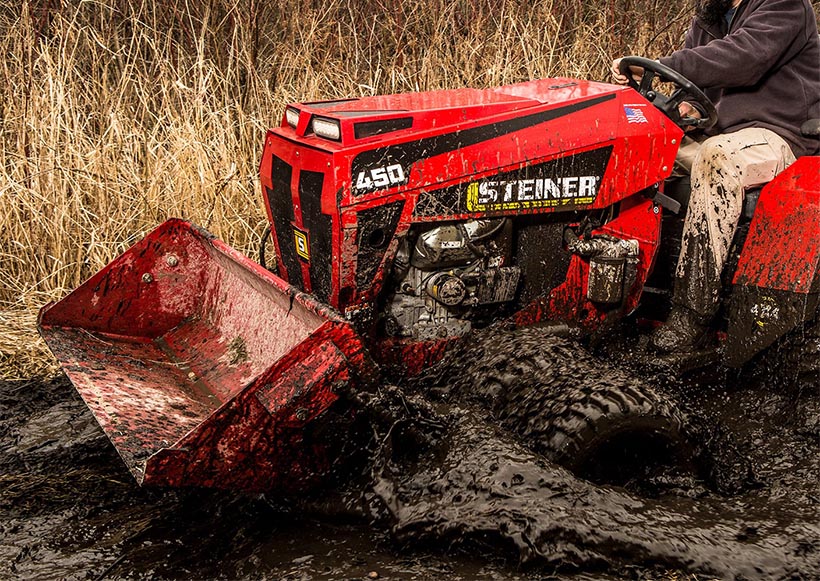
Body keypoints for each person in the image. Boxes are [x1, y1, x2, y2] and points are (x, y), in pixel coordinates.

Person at [611, 0, 820, 353]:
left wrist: (665, 66)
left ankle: (693, 315)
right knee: (641, 150)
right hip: (721, 133)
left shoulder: (785, 6)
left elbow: (743, 58)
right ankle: (618, 291)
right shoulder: (710, 16)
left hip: (781, 135)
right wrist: (675, 106)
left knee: (717, 159)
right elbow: (696, 87)